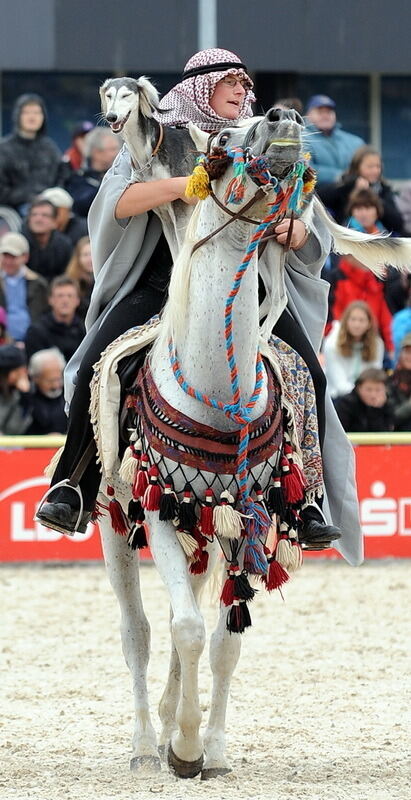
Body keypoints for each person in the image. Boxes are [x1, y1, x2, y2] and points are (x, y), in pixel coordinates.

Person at [38, 49, 357, 562]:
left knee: (309, 374)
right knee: (95, 367)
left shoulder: (261, 136)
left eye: (244, 82)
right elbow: (115, 204)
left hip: (243, 284)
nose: (241, 90)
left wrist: (298, 231)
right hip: (161, 281)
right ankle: (74, 483)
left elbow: (304, 207)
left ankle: (308, 501)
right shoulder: (158, 137)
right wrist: (186, 185)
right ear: (200, 86)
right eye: (229, 81)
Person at [318, 145, 405, 235]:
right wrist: (349, 185)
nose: (375, 171)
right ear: (357, 167)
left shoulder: (383, 189)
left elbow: (397, 224)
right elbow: (320, 198)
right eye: (370, 167)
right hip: (346, 237)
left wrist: (373, 197)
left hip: (377, 237)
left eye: (378, 166)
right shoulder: (345, 185)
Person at [0, 93, 62, 216]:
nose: (32, 117)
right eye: (26, 112)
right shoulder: (4, 148)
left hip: (51, 205)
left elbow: (61, 179)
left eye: (37, 112)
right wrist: (29, 197)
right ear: (18, 116)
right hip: (15, 210)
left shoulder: (50, 148)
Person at [323, 301, 384, 399]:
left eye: (361, 320)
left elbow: (374, 375)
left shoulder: (377, 344)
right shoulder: (332, 345)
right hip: (337, 397)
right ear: (346, 321)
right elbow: (340, 385)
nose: (357, 324)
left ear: (369, 323)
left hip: (367, 395)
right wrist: (363, 393)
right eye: (353, 319)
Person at [303, 94, 364, 186]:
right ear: (307, 115)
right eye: (320, 112)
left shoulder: (354, 141)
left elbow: (367, 164)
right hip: (317, 195)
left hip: (351, 194)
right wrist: (340, 176)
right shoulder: (302, 138)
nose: (325, 115)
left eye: (329, 112)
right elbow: (305, 170)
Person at [0, 232, 49, 343]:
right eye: (5, 256)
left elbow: (40, 317)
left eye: (13, 257)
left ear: (25, 257)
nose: (8, 261)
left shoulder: (38, 283)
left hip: (31, 340)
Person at [24, 275, 85, 362]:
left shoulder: (85, 331)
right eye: (60, 296)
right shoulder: (36, 332)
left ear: (77, 301)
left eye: (70, 296)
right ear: (50, 300)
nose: (65, 300)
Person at [65, 128, 121, 218]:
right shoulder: (78, 179)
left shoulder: (124, 174)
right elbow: (81, 205)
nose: (118, 153)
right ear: (96, 152)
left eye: (118, 148)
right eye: (112, 149)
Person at [22, 199, 73, 282]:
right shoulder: (20, 242)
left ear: (54, 221)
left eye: (45, 215)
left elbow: (67, 275)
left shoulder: (64, 244)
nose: (38, 219)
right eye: (34, 215)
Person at [334, 367, 394, 433]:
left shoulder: (388, 405)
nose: (373, 395)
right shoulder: (346, 404)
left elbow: (385, 433)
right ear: (359, 388)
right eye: (369, 389)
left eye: (378, 390)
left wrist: (376, 409)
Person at [25, 347, 67, 435]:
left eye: (58, 379)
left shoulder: (69, 395)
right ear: (35, 378)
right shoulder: (26, 397)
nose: (56, 385)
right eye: (50, 381)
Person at [0, 344, 30, 434]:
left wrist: (25, 399)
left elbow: (13, 430)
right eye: (17, 371)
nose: (22, 375)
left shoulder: (17, 393)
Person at [65, 236, 94, 319]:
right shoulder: (70, 281)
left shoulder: (106, 281)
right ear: (78, 258)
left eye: (92, 254)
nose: (90, 259)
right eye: (85, 255)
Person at [387, 333, 411, 432]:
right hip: (396, 438)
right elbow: (390, 417)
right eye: (407, 352)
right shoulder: (390, 380)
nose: (409, 357)